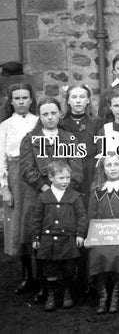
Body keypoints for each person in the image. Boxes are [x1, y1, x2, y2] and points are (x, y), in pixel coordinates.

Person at [20, 97, 83, 303]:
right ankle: (44, 288)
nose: (49, 117)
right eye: (45, 114)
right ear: (40, 115)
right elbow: (27, 169)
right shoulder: (30, 138)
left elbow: (76, 169)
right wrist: (45, 187)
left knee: (64, 237)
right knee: (42, 240)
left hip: (65, 195)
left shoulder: (69, 138)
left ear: (59, 114)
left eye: (53, 113)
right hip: (39, 194)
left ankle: (66, 288)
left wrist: (64, 189)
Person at [31, 160, 87, 311]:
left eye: (68, 178)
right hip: (48, 240)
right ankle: (51, 294)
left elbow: (82, 216)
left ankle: (67, 293)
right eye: (61, 178)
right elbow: (37, 219)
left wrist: (80, 234)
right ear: (51, 177)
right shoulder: (44, 197)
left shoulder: (74, 196)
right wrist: (36, 238)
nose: (65, 181)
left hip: (68, 239)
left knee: (69, 268)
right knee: (50, 269)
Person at [86, 153, 119, 314]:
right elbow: (91, 216)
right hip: (101, 236)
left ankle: (115, 297)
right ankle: (103, 296)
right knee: (96, 252)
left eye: (116, 165)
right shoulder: (96, 190)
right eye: (109, 165)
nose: (113, 168)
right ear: (103, 169)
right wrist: (89, 236)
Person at [0, 83, 38, 293]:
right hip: (15, 177)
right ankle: (27, 275)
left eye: (25, 98)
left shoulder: (38, 121)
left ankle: (42, 274)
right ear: (11, 101)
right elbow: (1, 159)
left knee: (35, 221)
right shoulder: (5, 125)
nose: (21, 102)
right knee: (18, 224)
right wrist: (5, 188)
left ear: (31, 100)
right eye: (17, 98)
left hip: (36, 173)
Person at [59, 85, 102, 206]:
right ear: (68, 100)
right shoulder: (61, 123)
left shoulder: (96, 122)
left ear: (88, 100)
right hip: (69, 169)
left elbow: (100, 148)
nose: (78, 100)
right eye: (74, 97)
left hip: (91, 169)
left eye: (82, 97)